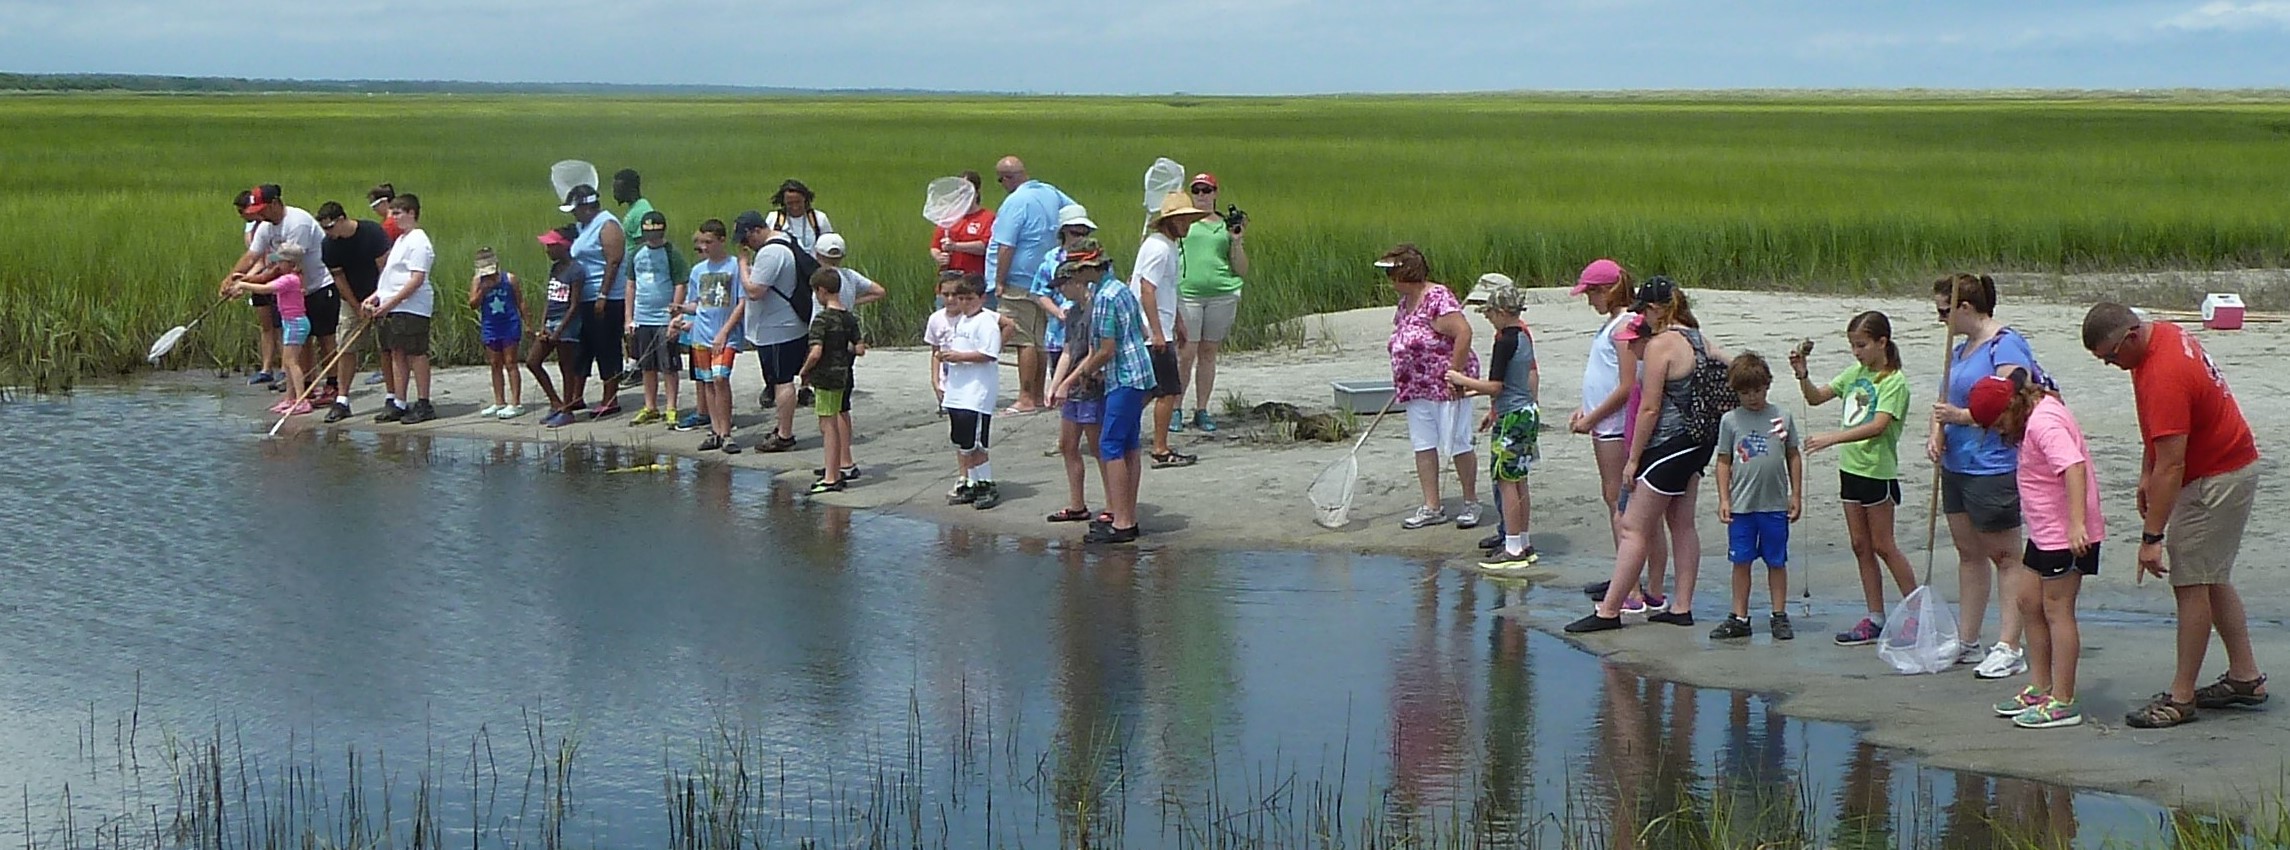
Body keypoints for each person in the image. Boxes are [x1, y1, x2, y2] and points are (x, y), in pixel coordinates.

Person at [2083, 302, 2267, 729]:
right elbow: (2159, 436)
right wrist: (2145, 471)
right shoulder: (2156, 338)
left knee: (2191, 583)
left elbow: (2173, 464)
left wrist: (2151, 538)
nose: (2111, 366)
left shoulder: (2165, 372)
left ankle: (2181, 697)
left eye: (2110, 357)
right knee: (2212, 574)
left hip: (2217, 477)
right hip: (2227, 463)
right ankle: (2245, 676)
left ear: (2129, 336)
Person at [1569, 276, 1728, 633]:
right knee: (1682, 524)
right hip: (1699, 443)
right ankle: (1681, 607)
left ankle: (1609, 612)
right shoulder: (1699, 338)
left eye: (1646, 312)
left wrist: (1633, 459)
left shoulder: (1661, 345)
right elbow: (1735, 371)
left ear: (1657, 310)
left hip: (1667, 446)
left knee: (1632, 527)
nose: (1644, 319)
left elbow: (1650, 409)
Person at [1968, 373, 2100, 729]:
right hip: (2044, 532)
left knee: (2058, 610)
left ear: (2012, 406)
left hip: (2066, 534)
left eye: (1997, 424)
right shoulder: (2034, 412)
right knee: (2028, 601)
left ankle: (2063, 700)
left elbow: (2074, 467)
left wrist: (2076, 525)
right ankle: (2042, 686)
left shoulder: (2043, 422)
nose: (1998, 432)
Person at [1931, 273, 2047, 678]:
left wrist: (1961, 418)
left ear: (1965, 307)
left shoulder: (2005, 343)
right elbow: (1944, 397)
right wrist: (1938, 433)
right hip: (1958, 463)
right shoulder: (1960, 349)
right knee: (1968, 553)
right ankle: (1967, 639)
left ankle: (2009, 645)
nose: (1940, 318)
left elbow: (2011, 396)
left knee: (2005, 555)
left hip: (1993, 463)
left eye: (1944, 310)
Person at [1794, 311, 1919, 646]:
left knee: (1883, 544)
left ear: (1882, 342)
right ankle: (1875, 617)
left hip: (1877, 470)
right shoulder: (1856, 373)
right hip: (1850, 470)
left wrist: (1833, 437)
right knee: (1859, 545)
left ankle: (1917, 614)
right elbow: (1816, 397)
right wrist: (1802, 376)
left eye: (1862, 345)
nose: (1857, 352)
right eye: (1853, 346)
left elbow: (1879, 425)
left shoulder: (1893, 382)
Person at [1567, 259, 1669, 611]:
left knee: (1623, 506)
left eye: (1592, 293)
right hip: (1604, 423)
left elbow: (1627, 386)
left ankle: (1635, 591)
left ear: (1606, 291)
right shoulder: (1616, 324)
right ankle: (1635, 582)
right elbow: (1606, 378)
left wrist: (1592, 417)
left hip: (1613, 428)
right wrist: (1586, 410)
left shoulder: (1624, 326)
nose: (1589, 300)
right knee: (1628, 505)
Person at [1378, 243, 1482, 530]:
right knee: (1423, 444)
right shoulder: (1405, 302)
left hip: (1445, 386)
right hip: (1415, 386)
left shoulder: (1437, 298)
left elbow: (1464, 332)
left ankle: (1471, 502)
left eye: (1393, 274)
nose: (1389, 281)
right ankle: (1432, 506)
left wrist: (1454, 374)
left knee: (1458, 442)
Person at [1059, 241, 1156, 545]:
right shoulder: (1121, 289)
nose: (1076, 276)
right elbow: (1141, 332)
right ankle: (1127, 516)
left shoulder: (1104, 297)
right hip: (1139, 373)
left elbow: (1105, 349)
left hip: (1124, 377)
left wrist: (1084, 374)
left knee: (1110, 444)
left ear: (1089, 268)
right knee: (1128, 445)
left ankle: (1123, 521)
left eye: (1077, 270)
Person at [1708, 352, 1804, 641]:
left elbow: (1793, 455)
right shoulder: (1730, 421)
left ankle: (1779, 614)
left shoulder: (1781, 417)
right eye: (1745, 392)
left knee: (1777, 561)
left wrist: (1796, 494)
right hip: (1742, 507)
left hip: (1774, 505)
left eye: (1757, 390)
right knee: (1741, 561)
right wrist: (1724, 499)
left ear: (1768, 386)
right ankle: (1739, 616)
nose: (1752, 397)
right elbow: (1723, 461)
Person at [1442, 282, 1538, 569]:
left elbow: (1496, 386)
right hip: (1525, 412)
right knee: (1519, 480)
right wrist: (1485, 400)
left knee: (1506, 481)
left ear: (1499, 312)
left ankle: (1512, 549)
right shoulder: (1523, 335)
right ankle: (1522, 541)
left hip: (1511, 416)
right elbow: (1515, 382)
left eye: (1489, 313)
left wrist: (1461, 380)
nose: (1487, 318)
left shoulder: (1504, 341)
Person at [237, 186, 343, 408]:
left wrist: (247, 283)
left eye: (263, 209)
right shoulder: (266, 227)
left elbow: (281, 266)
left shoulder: (298, 222)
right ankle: (307, 385)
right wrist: (231, 280)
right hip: (299, 292)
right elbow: (253, 256)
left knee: (325, 338)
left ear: (276, 203)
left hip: (321, 284)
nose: (260, 214)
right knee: (302, 343)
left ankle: (333, 385)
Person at [987, 156, 1075, 412]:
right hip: (1047, 278)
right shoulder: (1050, 192)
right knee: (1039, 339)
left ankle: (1026, 396)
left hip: (1019, 279)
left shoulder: (1014, 202)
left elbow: (1006, 246)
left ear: (1006, 178)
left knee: (1022, 337)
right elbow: (1074, 212)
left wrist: (999, 280)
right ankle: (1037, 395)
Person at [1138, 193, 1213, 466]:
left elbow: (1168, 288)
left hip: (1163, 326)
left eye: (1189, 219)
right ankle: (1160, 448)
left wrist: (1178, 320)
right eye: (1182, 219)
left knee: (1148, 389)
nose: (1187, 224)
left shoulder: (1166, 245)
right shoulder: (1159, 248)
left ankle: (1121, 429)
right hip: (1154, 332)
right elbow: (1147, 289)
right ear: (1169, 221)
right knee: (1168, 390)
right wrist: (1157, 331)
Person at [1175, 173, 1249, 434]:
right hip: (1188, 293)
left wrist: (1237, 241)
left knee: (1208, 352)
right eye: (1197, 190)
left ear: (1215, 193)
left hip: (1222, 292)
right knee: (1186, 352)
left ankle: (1201, 409)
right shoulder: (1183, 223)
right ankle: (1175, 407)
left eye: (1207, 190)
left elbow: (1240, 269)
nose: (1202, 195)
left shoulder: (1224, 226)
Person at [1045, 244, 1110, 525]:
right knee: (1067, 444)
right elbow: (1069, 351)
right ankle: (1077, 504)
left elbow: (1095, 353)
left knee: (1098, 447)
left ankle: (1111, 504)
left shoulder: (1097, 308)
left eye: (1062, 284)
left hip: (1092, 384)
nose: (1060, 290)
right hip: (1073, 388)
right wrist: (1054, 384)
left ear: (1075, 281)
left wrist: (1067, 383)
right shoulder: (1071, 313)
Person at [735, 210, 811, 452]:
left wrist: (743, 266)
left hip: (780, 328)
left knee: (782, 381)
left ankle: (785, 434)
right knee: (780, 380)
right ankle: (782, 428)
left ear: (755, 231)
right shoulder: (786, 240)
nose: (745, 245)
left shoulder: (771, 252)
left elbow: (755, 290)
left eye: (745, 240)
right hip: (781, 326)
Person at [361, 194, 435, 424]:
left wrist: (389, 304)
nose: (393, 218)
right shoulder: (401, 240)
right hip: (391, 306)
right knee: (396, 352)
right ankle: (399, 402)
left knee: (416, 353)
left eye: (397, 213)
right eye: (392, 213)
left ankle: (424, 403)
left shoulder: (419, 241)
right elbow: (390, 277)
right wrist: (374, 298)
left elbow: (416, 279)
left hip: (412, 307)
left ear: (411, 213)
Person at [316, 202, 391, 422]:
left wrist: (377, 299)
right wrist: (357, 306)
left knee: (386, 346)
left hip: (382, 294)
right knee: (346, 346)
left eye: (330, 227)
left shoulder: (372, 233)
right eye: (324, 229)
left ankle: (392, 397)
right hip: (352, 299)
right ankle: (342, 400)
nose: (328, 233)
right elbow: (338, 278)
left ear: (341, 220)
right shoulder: (328, 245)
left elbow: (385, 270)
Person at [937, 273, 1003, 510]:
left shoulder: (986, 322)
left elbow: (988, 353)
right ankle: (972, 482)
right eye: (961, 298)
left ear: (981, 298)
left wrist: (959, 357)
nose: (964, 303)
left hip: (977, 393)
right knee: (962, 440)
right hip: (958, 390)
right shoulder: (963, 320)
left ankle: (986, 483)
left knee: (977, 442)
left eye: (969, 298)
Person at [564, 184, 629, 419]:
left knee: (607, 346)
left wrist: (603, 294)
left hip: (607, 298)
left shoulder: (607, 224)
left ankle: (610, 399)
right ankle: (576, 396)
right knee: (584, 346)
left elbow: (613, 261)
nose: (574, 214)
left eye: (576, 209)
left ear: (588, 206)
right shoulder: (583, 226)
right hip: (584, 296)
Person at [683, 219, 746, 453]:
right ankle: (715, 430)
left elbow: (742, 303)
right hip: (701, 333)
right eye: (702, 242)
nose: (705, 247)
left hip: (724, 334)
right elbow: (695, 304)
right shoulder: (698, 271)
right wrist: (680, 313)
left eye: (709, 242)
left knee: (721, 378)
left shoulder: (734, 267)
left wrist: (724, 331)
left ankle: (727, 432)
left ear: (721, 240)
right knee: (707, 381)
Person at [227, 244, 312, 416]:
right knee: (287, 363)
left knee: (291, 362)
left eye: (280, 262)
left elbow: (266, 288)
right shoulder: (288, 277)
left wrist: (243, 285)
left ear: (291, 263)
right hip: (290, 322)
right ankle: (290, 398)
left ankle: (302, 400)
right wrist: (245, 280)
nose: (277, 266)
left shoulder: (290, 279)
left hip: (296, 323)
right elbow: (265, 282)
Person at [624, 210, 690, 427]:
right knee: (647, 366)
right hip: (643, 317)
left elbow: (680, 282)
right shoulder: (636, 254)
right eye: (648, 232)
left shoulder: (672, 253)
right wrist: (629, 318)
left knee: (669, 365)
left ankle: (671, 407)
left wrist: (675, 313)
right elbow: (631, 285)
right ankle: (650, 406)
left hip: (664, 317)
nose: (652, 236)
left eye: (656, 231)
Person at [799, 269, 862, 494]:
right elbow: (860, 348)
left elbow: (816, 352)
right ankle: (836, 469)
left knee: (828, 426)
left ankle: (831, 477)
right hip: (843, 375)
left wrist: (804, 371)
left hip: (825, 377)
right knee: (835, 419)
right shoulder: (849, 317)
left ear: (821, 291)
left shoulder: (822, 319)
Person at [228, 190, 281, 389]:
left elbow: (277, 257)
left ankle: (285, 370)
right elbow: (256, 258)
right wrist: (240, 279)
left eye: (244, 211)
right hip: (259, 278)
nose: (243, 215)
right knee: (266, 326)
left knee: (282, 325)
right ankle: (266, 369)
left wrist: (251, 278)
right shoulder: (252, 228)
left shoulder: (272, 225)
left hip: (277, 279)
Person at [468, 247, 528, 419]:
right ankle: (499, 401)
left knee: (510, 362)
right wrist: (483, 290)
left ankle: (515, 403)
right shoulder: (477, 281)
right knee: (495, 363)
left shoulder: (509, 279)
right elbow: (472, 304)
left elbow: (520, 301)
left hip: (509, 324)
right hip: (490, 325)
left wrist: (528, 324)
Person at [525, 226, 575, 422]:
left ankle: (568, 410)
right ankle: (556, 402)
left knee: (566, 367)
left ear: (564, 246)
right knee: (532, 362)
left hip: (567, 325)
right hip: (551, 323)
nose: (547, 250)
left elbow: (574, 304)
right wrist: (543, 325)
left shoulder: (575, 270)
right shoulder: (555, 268)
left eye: (551, 246)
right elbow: (549, 298)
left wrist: (559, 330)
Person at [930, 170, 994, 277]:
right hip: (949, 279)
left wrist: (955, 246)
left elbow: (985, 247)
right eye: (960, 192)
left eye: (967, 192)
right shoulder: (948, 217)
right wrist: (939, 256)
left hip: (974, 280)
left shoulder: (988, 217)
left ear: (976, 193)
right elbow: (935, 246)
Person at [765, 179, 834, 252]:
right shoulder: (774, 218)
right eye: (790, 203)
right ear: (783, 202)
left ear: (805, 199)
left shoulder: (819, 218)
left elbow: (829, 245)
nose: (795, 207)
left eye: (798, 202)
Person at [613, 169, 654, 240]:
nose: (615, 194)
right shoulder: (635, 208)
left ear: (631, 190)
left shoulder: (641, 212)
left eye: (618, 191)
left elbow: (643, 244)